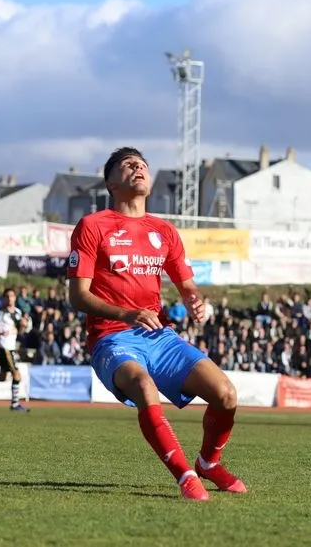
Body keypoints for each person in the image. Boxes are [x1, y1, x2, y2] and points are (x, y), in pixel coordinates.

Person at [66, 147, 246, 501]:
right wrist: (126, 314)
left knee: (226, 394)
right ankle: (185, 476)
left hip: (158, 337)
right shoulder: (92, 226)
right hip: (112, 338)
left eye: (143, 165)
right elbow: (77, 296)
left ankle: (209, 463)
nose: (139, 168)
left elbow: (187, 284)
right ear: (111, 183)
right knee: (143, 385)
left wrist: (194, 300)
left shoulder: (164, 231)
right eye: (128, 165)